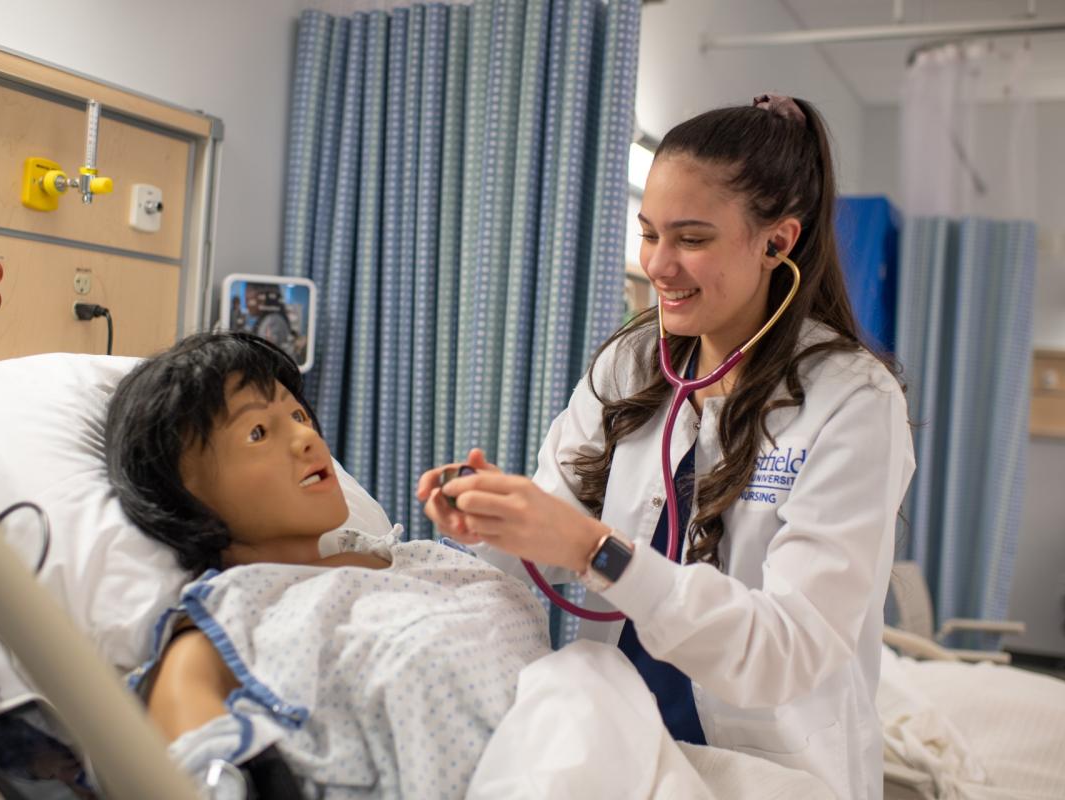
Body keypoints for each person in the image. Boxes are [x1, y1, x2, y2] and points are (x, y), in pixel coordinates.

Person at [418, 95, 914, 800]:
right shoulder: (632, 364)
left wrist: (597, 551)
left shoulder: (852, 402)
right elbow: (548, 531)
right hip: (617, 742)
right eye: (649, 233)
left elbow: (788, 650)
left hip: (772, 766)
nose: (658, 264)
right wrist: (492, 522)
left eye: (692, 238)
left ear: (777, 242)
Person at [105, 332, 549, 797]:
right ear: (181, 492)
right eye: (258, 431)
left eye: (297, 415)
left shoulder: (415, 560)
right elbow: (199, 771)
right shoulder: (227, 625)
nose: (306, 438)